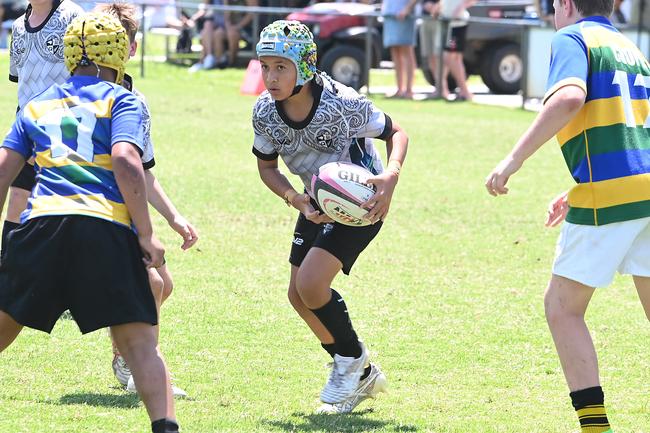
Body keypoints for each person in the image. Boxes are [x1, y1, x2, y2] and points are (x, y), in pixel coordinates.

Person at [0, 12, 180, 433]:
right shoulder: (123, 100)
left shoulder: (37, 105)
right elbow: (125, 159)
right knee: (140, 344)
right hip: (104, 229)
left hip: (41, 226)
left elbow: (4, 170)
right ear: (119, 52)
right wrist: (148, 235)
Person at [485, 1, 647, 432]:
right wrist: (577, 190)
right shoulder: (629, 47)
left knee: (562, 309)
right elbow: (633, 131)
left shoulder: (572, 37)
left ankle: (595, 428)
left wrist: (512, 160)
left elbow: (571, 97)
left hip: (610, 197)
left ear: (569, 5)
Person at [252, 20, 408, 413]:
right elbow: (267, 167)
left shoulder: (341, 102)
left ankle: (351, 360)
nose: (270, 77)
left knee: (311, 284)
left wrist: (390, 176)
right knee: (298, 295)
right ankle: (356, 367)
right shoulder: (264, 113)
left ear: (304, 67)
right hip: (315, 202)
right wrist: (295, 199)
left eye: (280, 67)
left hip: (362, 205)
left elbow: (397, 132)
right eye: (264, 66)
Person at [96, 2, 199, 397]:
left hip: (126, 207)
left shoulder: (133, 99)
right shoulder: (84, 93)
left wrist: (174, 217)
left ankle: (126, 355)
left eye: (120, 44)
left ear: (133, 49)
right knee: (151, 284)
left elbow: (141, 170)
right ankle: (142, 368)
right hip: (98, 210)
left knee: (162, 286)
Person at [5, 0, 83, 258]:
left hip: (65, 132)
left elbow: (86, 77)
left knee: (60, 210)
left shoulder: (72, 15)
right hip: (25, 131)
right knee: (17, 201)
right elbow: (21, 82)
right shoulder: (17, 26)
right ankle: (10, 273)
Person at [439, 0, 476, 101]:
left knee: (450, 58)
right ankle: (461, 91)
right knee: (455, 58)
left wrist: (460, 8)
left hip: (457, 24)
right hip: (449, 23)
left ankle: (465, 91)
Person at [381, 0, 418, 99]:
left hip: (404, 16)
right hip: (390, 14)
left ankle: (409, 90)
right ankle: (400, 89)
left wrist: (406, 9)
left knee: (407, 51)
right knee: (395, 52)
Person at [420, 0, 442, 96]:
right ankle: (438, 87)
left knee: (439, 56)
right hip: (426, 18)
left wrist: (437, 6)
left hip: (439, 20)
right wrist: (425, 5)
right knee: (430, 57)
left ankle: (442, 87)